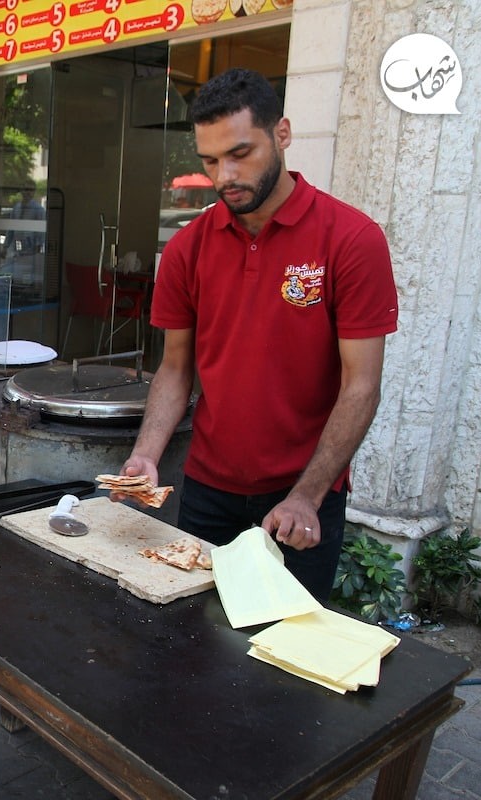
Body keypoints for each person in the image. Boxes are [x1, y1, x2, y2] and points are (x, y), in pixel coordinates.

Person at [118, 68, 398, 600]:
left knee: (285, 639)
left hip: (303, 493)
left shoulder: (351, 239)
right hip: (207, 487)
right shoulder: (186, 249)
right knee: (189, 633)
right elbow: (175, 368)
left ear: (282, 134)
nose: (225, 175)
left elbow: (361, 386)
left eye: (240, 153)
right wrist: (147, 454)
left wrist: (307, 496)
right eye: (209, 160)